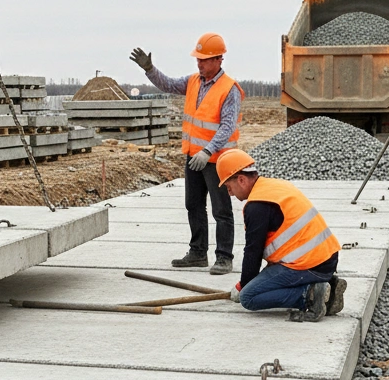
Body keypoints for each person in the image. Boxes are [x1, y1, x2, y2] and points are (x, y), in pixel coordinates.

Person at [130, 33, 244, 274]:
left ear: (218, 60)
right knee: (193, 205)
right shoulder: (193, 81)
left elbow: (227, 126)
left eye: (204, 59)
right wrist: (150, 69)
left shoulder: (229, 89)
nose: (199, 63)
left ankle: (224, 257)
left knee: (221, 210)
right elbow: (168, 84)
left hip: (217, 160)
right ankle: (198, 253)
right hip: (194, 157)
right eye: (198, 59)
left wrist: (208, 150)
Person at [217, 149, 346, 322]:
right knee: (261, 286)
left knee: (249, 297)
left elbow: (253, 251)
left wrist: (243, 286)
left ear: (241, 180)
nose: (230, 193)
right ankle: (327, 289)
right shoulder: (274, 186)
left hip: (309, 265)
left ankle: (310, 294)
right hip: (325, 260)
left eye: (229, 187)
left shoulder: (257, 206)